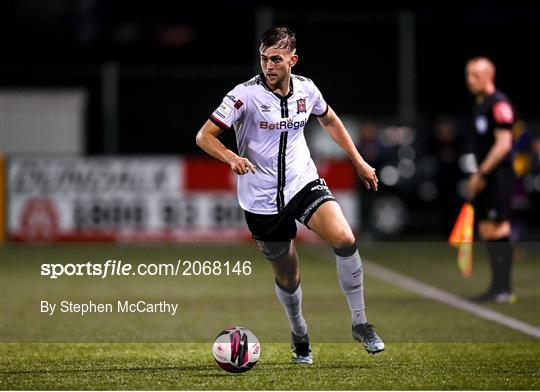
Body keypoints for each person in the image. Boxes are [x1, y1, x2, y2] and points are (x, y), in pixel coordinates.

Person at [196, 26, 384, 363]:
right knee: (288, 276)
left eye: (276, 59)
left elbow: (329, 120)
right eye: (264, 58)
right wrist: (232, 157)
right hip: (261, 198)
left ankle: (360, 322)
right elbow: (204, 136)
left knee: (344, 237)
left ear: (292, 60)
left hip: (302, 182)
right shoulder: (243, 95)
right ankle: (299, 332)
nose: (268, 66)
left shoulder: (307, 90)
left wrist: (357, 160)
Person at [464, 56, 516, 304]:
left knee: (499, 227)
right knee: (486, 229)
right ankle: (496, 287)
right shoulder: (480, 104)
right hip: (485, 175)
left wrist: (482, 173)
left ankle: (504, 288)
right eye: (468, 75)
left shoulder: (499, 104)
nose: (470, 80)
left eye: (475, 75)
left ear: (488, 76)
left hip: (498, 176)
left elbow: (504, 144)